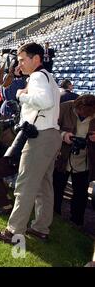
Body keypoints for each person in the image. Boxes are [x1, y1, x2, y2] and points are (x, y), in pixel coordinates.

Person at [0, 42, 61, 244]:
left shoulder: (38, 76)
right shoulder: (48, 77)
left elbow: (45, 101)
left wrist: (22, 95)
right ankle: (40, 228)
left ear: (36, 59)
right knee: (44, 186)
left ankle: (14, 232)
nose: (19, 64)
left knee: (25, 184)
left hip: (39, 137)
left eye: (23, 60)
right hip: (50, 135)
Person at [53, 95, 95, 226]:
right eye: (80, 112)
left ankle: (77, 223)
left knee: (81, 195)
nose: (83, 115)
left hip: (85, 162)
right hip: (62, 158)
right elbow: (51, 127)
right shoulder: (64, 107)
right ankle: (54, 216)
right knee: (56, 189)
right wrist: (63, 135)